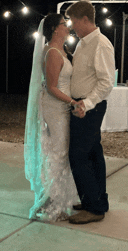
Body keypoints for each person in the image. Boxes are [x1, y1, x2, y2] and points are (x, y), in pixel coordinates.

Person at [24, 13, 79, 222]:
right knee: (58, 154)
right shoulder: (53, 53)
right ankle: (55, 203)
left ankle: (57, 198)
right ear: (55, 29)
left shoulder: (61, 50)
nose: (68, 27)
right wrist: (73, 102)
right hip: (56, 108)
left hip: (61, 107)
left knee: (60, 153)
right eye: (65, 24)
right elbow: (52, 87)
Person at [65, 0, 115, 224]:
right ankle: (95, 200)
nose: (72, 26)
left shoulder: (101, 44)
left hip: (88, 109)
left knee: (78, 155)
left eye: (74, 22)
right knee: (94, 154)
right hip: (81, 106)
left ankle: (94, 209)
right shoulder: (83, 43)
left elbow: (106, 83)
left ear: (85, 19)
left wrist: (86, 104)